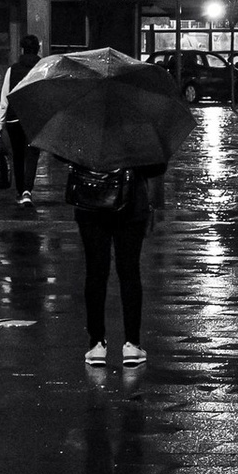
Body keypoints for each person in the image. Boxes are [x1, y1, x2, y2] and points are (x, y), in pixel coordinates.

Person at [68, 158, 153, 368]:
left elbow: (62, 152)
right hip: (132, 202)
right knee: (130, 272)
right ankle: (132, 344)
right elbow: (157, 166)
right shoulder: (138, 125)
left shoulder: (84, 125)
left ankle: (96, 344)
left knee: (95, 272)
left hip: (91, 201)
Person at [1, 31, 42, 203]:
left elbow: (5, 97)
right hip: (35, 119)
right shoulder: (44, 68)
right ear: (38, 49)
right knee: (32, 154)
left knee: (17, 154)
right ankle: (27, 190)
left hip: (14, 118)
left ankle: (20, 191)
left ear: (22, 49)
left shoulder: (13, 69)